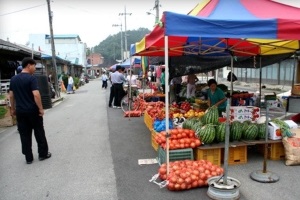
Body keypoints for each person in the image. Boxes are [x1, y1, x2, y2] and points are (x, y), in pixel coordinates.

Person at [9, 57, 51, 164]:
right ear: (28, 65)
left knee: (24, 134)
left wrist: (12, 109)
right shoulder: (32, 78)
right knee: (39, 132)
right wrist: (41, 109)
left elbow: (11, 95)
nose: (34, 69)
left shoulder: (13, 79)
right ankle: (42, 154)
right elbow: (36, 94)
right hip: (33, 111)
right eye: (34, 66)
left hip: (20, 111)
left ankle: (28, 158)